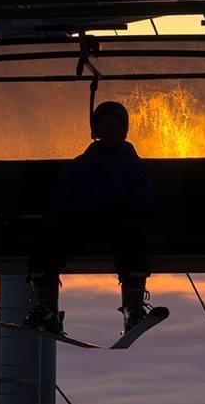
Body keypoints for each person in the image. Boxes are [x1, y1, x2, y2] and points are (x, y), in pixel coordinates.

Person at [25, 100, 161, 334]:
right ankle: (46, 307)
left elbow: (145, 201)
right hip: (82, 223)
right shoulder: (79, 166)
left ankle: (133, 307)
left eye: (113, 125)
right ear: (96, 129)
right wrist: (71, 212)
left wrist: (121, 205)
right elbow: (61, 198)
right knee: (46, 238)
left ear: (123, 129)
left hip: (119, 223)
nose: (108, 130)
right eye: (104, 124)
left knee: (134, 237)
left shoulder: (133, 166)